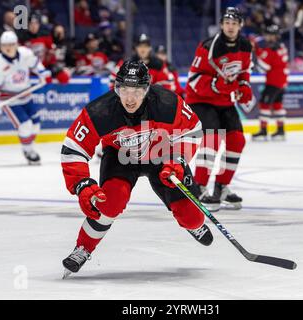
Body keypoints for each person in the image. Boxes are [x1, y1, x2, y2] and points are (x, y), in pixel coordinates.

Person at [60, 60, 213, 277]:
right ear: (116, 88)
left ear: (147, 90)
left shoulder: (167, 103)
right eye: (124, 90)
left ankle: (194, 224)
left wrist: (176, 161)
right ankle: (83, 247)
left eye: (137, 91)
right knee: (109, 203)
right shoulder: (101, 111)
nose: (129, 98)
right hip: (121, 158)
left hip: (162, 154)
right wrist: (81, 184)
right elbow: (73, 147)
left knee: (192, 217)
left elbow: (192, 130)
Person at [185, 7, 253, 211]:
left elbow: (244, 72)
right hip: (201, 99)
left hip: (225, 101)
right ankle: (199, 187)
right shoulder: (209, 46)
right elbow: (193, 79)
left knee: (237, 140)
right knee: (212, 139)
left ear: (240, 25)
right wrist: (217, 85)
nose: (230, 27)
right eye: (227, 23)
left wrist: (244, 86)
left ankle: (222, 186)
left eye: (234, 23)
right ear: (222, 25)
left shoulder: (245, 46)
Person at [0, 31, 52, 165]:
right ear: (0, 46)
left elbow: (36, 65)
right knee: (25, 125)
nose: (8, 48)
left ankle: (28, 144)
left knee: (36, 124)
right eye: (5, 45)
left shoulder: (25, 53)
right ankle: (28, 150)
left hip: (26, 95)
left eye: (11, 44)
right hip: (9, 100)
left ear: (16, 44)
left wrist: (44, 73)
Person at [252, 24, 289, 140]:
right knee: (278, 105)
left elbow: (264, 67)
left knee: (264, 104)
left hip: (274, 82)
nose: (267, 37)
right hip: (282, 82)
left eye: (269, 35)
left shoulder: (272, 49)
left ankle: (263, 131)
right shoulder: (281, 46)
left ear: (274, 36)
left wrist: (257, 51)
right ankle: (281, 131)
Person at [110, 34, 178, 94]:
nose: (143, 49)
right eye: (140, 46)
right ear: (136, 48)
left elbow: (169, 84)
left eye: (145, 46)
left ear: (150, 48)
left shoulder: (158, 64)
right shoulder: (126, 63)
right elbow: (113, 80)